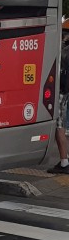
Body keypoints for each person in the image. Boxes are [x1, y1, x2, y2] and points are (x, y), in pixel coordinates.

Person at [48, 31, 69, 174]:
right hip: (66, 91)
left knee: (59, 126)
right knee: (64, 127)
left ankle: (64, 162)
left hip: (61, 91)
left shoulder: (64, 51)